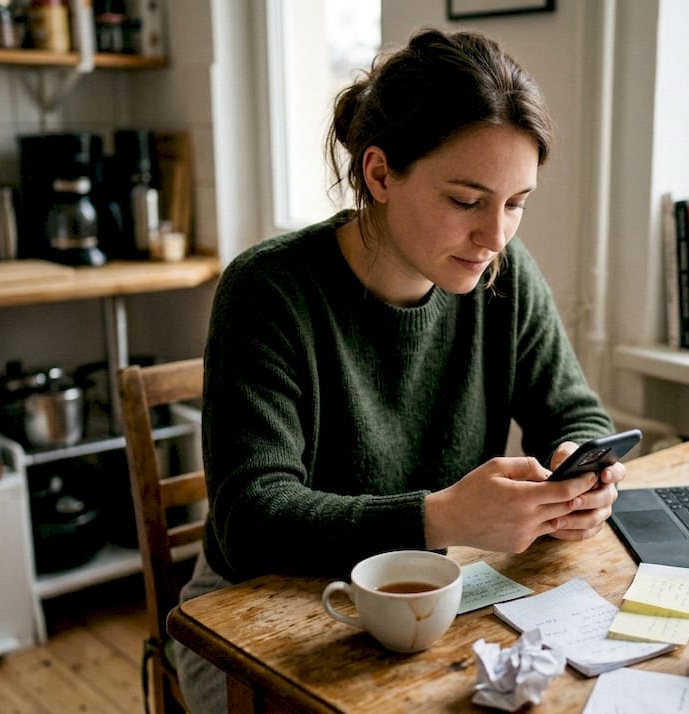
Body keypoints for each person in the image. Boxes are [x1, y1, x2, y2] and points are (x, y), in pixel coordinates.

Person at [175, 27, 627, 712]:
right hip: (256, 610)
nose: (494, 236)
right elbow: (251, 516)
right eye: (466, 201)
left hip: (431, 591)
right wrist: (441, 516)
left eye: (516, 203)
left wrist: (579, 471)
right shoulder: (268, 291)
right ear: (380, 173)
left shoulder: (503, 276)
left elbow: (572, 411)